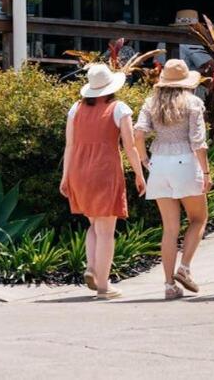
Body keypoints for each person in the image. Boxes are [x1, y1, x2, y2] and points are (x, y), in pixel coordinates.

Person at [60, 62, 146, 299]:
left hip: (78, 172)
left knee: (94, 225)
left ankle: (91, 268)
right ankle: (103, 287)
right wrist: (139, 174)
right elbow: (130, 146)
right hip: (105, 172)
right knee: (106, 231)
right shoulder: (119, 109)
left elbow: (69, 145)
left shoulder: (75, 108)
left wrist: (65, 176)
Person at [133, 59, 210, 300]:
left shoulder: (151, 102)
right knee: (199, 218)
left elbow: (138, 134)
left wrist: (145, 160)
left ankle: (169, 285)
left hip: (159, 164)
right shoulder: (193, 103)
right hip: (185, 162)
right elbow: (198, 142)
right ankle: (184, 268)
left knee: (169, 228)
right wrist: (206, 172)